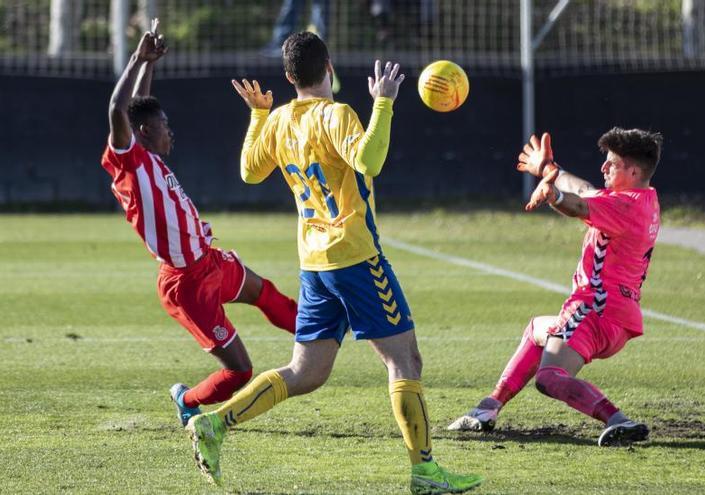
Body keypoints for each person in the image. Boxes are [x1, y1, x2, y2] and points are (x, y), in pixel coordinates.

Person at [184, 32, 484, 495]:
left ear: (288, 77)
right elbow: (370, 161)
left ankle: (216, 423)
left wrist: (259, 114)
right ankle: (425, 474)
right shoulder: (337, 113)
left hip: (315, 263)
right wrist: (383, 104)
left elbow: (248, 171)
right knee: (405, 358)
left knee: (306, 372)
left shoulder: (280, 118)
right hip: (356, 256)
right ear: (330, 67)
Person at [100, 20, 299, 429]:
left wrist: (148, 64)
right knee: (240, 372)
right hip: (187, 285)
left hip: (209, 262)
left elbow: (140, 105)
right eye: (164, 127)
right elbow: (119, 110)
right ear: (142, 134)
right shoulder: (129, 163)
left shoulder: (147, 155)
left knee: (265, 293)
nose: (170, 133)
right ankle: (186, 399)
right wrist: (136, 56)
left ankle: (321, 332)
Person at [448, 129, 662, 447]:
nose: (603, 168)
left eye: (611, 163)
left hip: (594, 310)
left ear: (632, 171)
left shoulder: (625, 208)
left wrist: (554, 195)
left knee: (549, 378)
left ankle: (619, 421)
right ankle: (487, 409)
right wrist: (551, 171)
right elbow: (586, 191)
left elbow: (577, 205)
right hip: (616, 316)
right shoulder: (642, 199)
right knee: (537, 329)